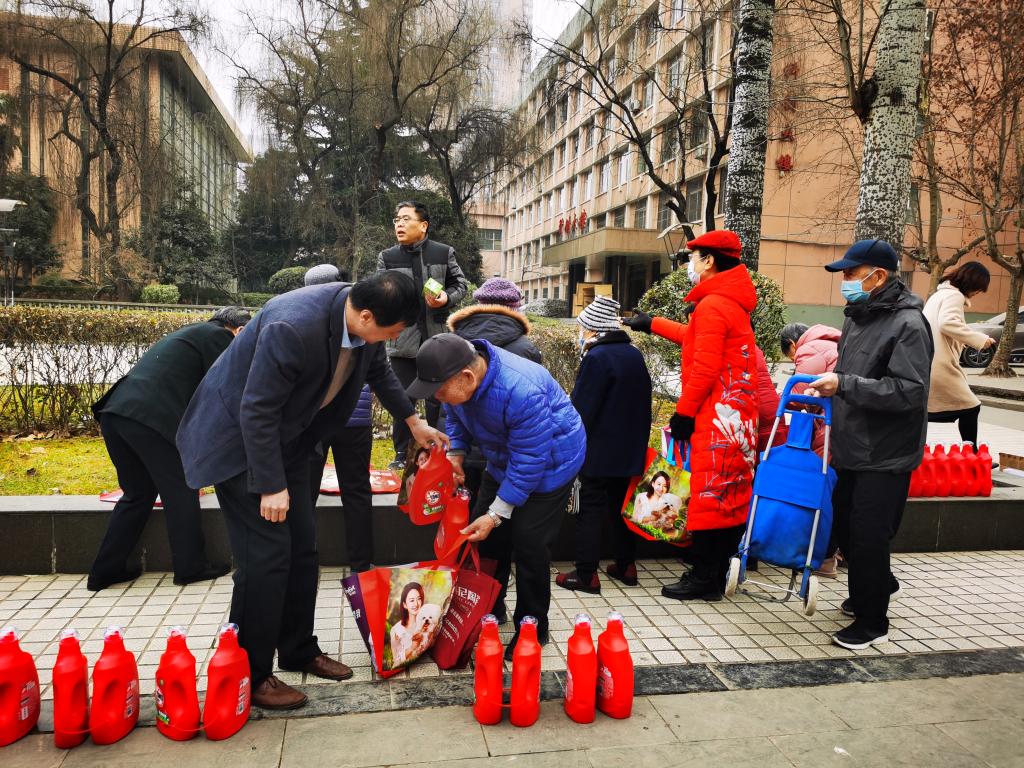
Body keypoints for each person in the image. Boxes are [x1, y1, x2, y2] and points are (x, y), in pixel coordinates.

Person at [176, 272, 446, 710]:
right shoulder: (293, 325)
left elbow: (378, 371)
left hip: (290, 441)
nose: (394, 339)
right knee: (265, 559)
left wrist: (413, 422)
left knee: (303, 549)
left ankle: (298, 648)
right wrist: (270, 485)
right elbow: (257, 408)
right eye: (393, 331)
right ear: (366, 316)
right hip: (241, 445)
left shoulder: (362, 326)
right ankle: (250, 673)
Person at [407, 333, 585, 659]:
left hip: (552, 464)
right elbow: (455, 415)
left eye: (439, 390)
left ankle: (533, 627)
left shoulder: (523, 390)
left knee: (529, 542)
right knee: (485, 540)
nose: (437, 397)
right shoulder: (459, 383)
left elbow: (529, 461)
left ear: (467, 377)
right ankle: (489, 607)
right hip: (505, 460)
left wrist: (496, 513)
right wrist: (456, 454)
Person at [806, 239, 933, 651]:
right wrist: (831, 388)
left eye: (850, 274)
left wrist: (844, 384)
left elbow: (910, 391)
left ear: (878, 277)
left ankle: (872, 620)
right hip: (852, 445)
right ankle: (873, 588)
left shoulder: (909, 324)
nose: (844, 281)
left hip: (885, 452)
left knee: (867, 534)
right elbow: (853, 378)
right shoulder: (860, 317)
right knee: (845, 527)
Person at [623, 229, 759, 602]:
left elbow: (705, 367)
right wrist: (652, 323)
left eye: (693, 257)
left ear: (709, 260)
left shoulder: (713, 304)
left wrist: (683, 414)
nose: (690, 265)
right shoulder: (730, 303)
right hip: (736, 418)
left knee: (711, 497)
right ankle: (715, 573)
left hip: (717, 418)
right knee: (728, 496)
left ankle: (704, 578)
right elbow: (696, 338)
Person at [87, 307, 251, 592]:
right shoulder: (220, 338)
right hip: (150, 420)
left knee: (137, 494)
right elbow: (225, 390)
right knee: (182, 490)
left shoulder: (191, 334)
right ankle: (191, 567)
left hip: (116, 415)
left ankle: (105, 570)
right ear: (238, 329)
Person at [555, 295, 652, 593]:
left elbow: (582, 409)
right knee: (621, 507)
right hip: (630, 448)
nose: (581, 333)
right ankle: (626, 565)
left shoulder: (597, 358)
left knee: (591, 509)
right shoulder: (634, 354)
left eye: (583, 327)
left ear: (595, 328)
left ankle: (586, 575)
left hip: (599, 451)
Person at [377, 200, 469, 469]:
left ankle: (439, 450)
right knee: (402, 399)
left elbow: (460, 284)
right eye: (396, 220)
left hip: (437, 339)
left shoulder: (443, 252)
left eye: (406, 219)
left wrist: (446, 298)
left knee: (439, 398)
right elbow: (379, 291)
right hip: (401, 342)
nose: (399, 225)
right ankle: (401, 453)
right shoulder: (387, 257)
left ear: (423, 225)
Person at [303, 264, 375, 574]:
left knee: (306, 490)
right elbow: (379, 373)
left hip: (317, 422)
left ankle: (304, 557)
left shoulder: (309, 319)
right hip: (355, 421)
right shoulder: (361, 316)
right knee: (357, 490)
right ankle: (361, 564)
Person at [448, 277, 541, 499]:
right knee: (497, 511)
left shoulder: (453, 342)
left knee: (462, 507)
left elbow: (445, 403)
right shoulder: (525, 348)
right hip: (506, 454)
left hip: (461, 448)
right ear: (515, 310)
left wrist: (454, 449)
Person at [780, 321, 843, 577]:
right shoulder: (833, 342)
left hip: (831, 428)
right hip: (848, 426)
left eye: (790, 356)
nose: (794, 360)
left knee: (822, 490)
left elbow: (798, 394)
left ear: (792, 345)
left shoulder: (809, 349)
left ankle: (823, 557)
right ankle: (837, 552)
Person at [923, 262, 994, 448]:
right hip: (941, 365)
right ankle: (971, 453)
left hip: (927, 360)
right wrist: (979, 339)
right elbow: (947, 323)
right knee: (970, 406)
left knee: (927, 408)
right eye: (978, 289)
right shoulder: (954, 296)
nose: (977, 293)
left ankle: (915, 446)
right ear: (971, 283)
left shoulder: (939, 294)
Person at [389, 582, 424, 666]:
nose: (416, 604)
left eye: (419, 599)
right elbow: (396, 662)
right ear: (405, 605)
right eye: (412, 600)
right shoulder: (396, 630)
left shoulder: (427, 623)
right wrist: (412, 647)